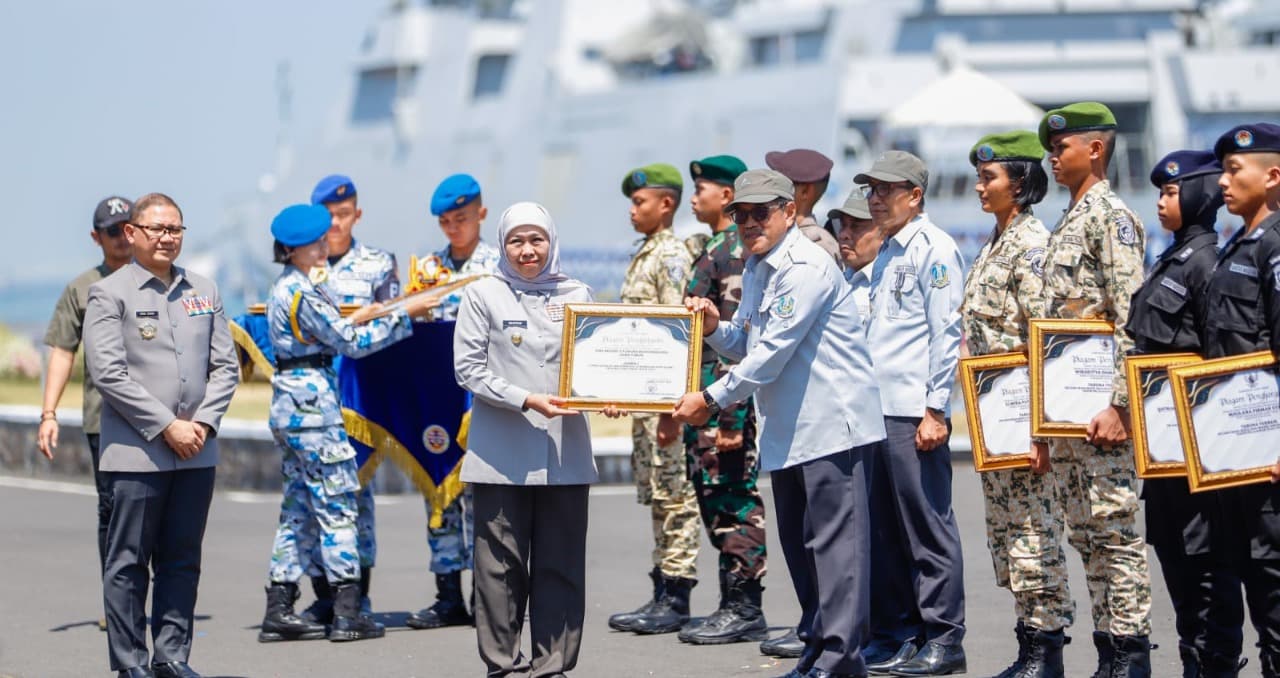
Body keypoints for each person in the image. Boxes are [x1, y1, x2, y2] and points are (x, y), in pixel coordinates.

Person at [672, 168, 887, 678]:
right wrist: (712, 329)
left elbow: (770, 355)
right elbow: (746, 342)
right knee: (801, 548)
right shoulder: (758, 267)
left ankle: (840, 662)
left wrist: (710, 398)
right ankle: (817, 649)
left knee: (836, 555)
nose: (748, 223)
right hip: (790, 431)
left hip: (834, 428)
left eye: (760, 212)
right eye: (740, 214)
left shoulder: (806, 265)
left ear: (790, 212)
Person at [259, 204, 433, 645]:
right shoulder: (303, 291)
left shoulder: (289, 288)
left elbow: (327, 329)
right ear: (296, 249)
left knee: (298, 509)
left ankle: (279, 606)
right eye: (317, 241)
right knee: (338, 508)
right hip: (315, 411)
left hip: (290, 405)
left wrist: (359, 315)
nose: (324, 244)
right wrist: (403, 316)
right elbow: (350, 344)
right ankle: (348, 611)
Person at [83, 193, 240, 678]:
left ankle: (172, 656)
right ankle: (131, 663)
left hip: (196, 451)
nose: (168, 238)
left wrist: (203, 424)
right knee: (128, 562)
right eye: (158, 229)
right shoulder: (110, 293)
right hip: (136, 454)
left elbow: (226, 366)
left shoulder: (204, 289)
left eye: (175, 229)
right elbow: (108, 374)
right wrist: (166, 425)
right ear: (131, 233)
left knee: (181, 559)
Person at [453, 201, 599, 677]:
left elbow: (598, 364)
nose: (527, 250)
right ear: (502, 244)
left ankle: (551, 665)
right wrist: (525, 399)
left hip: (564, 452)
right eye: (516, 240)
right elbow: (468, 370)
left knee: (561, 566)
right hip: (501, 454)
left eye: (536, 239)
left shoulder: (579, 293)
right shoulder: (483, 295)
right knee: (498, 570)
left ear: (552, 241)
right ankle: (500, 662)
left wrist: (610, 395)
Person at [1033, 102, 1154, 675]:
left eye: (1063, 148)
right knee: (1086, 533)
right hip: (1068, 413)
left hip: (1102, 411)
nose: (1053, 158)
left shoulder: (1112, 218)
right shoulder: (1069, 220)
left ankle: (1131, 656)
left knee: (1116, 536)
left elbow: (1132, 316)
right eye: (1051, 150)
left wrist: (1120, 404)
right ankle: (1109, 652)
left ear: (1096, 150)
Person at [961, 131, 1073, 676]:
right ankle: (1027, 642)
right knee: (1005, 533)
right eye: (980, 178)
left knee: (1033, 531)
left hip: (1020, 414)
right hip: (993, 417)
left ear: (1022, 184)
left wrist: (1041, 427)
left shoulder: (1031, 247)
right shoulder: (994, 242)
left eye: (991, 178)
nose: (981, 187)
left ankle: (1046, 650)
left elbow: (1041, 340)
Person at [1124, 148, 1235, 677]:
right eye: (1162, 193)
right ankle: (1194, 658)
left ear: (1198, 195)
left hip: (1195, 450)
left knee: (1206, 566)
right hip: (1162, 449)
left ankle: (1212, 665)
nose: (1163, 201)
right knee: (1174, 557)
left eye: (1171, 192)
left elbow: (1218, 356)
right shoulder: (1171, 260)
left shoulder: (1206, 264)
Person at [859, 150, 967, 676]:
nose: (875, 199)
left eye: (886, 190)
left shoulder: (935, 248)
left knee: (927, 526)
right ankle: (901, 633)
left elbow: (947, 331)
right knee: (886, 530)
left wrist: (936, 409)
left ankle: (944, 638)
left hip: (911, 411)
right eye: (871, 190)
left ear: (915, 195)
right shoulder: (886, 251)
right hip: (878, 409)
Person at [295, 174, 401, 625]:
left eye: (344, 214)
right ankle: (322, 595)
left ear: (357, 214)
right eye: (328, 216)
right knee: (311, 500)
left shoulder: (378, 264)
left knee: (356, 499)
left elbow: (394, 326)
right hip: (310, 403)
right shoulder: (302, 266)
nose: (336, 223)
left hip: (360, 402)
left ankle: (356, 595)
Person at [677, 155, 771, 646]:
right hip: (705, 401)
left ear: (728, 197)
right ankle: (729, 602)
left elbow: (741, 340)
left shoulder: (735, 252)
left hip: (722, 403)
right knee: (715, 500)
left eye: (704, 188)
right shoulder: (715, 246)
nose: (695, 197)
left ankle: (744, 606)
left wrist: (731, 415)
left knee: (733, 500)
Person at [608, 163, 702, 636]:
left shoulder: (670, 256)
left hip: (664, 404)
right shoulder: (646, 252)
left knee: (676, 497)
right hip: (644, 405)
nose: (632, 209)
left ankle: (677, 595)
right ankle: (661, 590)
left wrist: (672, 411)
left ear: (666, 205)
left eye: (639, 201)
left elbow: (678, 336)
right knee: (658, 496)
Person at [1200, 122, 1280, 677]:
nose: (1224, 182)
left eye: (1235, 170)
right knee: (1253, 576)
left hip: (1267, 449)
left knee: (1275, 587)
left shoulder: (1275, 244)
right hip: (1236, 449)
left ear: (1273, 176)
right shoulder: (1239, 243)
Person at [405, 172, 500, 631]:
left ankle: (489, 596)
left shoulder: (498, 267)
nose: (452, 228)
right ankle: (447, 595)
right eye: (445, 221)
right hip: (437, 400)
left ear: (481, 213)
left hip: (483, 400)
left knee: (484, 498)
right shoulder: (427, 271)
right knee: (438, 495)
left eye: (460, 218)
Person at [38, 195, 134, 630]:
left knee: (158, 513)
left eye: (130, 227)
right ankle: (118, 602)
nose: (123, 237)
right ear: (97, 238)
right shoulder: (83, 288)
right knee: (112, 511)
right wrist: (48, 414)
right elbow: (62, 349)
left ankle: (156, 596)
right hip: (106, 420)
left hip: (163, 419)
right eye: (114, 230)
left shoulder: (159, 278)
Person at [765, 148, 841, 265]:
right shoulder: (776, 235)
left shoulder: (819, 246)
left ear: (805, 191)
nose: (772, 188)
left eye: (780, 183)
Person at [831, 191, 880, 319]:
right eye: (842, 225)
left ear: (884, 232)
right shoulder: (834, 282)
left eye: (856, 226)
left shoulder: (889, 284)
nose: (843, 235)